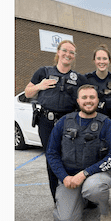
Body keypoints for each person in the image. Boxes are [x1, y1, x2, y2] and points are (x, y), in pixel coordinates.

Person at [46, 84, 111, 221]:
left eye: (92, 97)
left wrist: (85, 173)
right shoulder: (64, 122)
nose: (88, 101)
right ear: (78, 101)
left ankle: (104, 210)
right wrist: (64, 177)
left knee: (94, 189)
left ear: (97, 100)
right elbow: (52, 153)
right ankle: (82, 200)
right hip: (70, 177)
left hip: (95, 175)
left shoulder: (107, 123)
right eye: (84, 97)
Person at [24, 40, 84, 199]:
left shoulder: (78, 78)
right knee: (52, 158)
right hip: (47, 123)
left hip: (69, 122)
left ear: (74, 57)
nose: (68, 54)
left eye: (72, 52)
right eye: (65, 50)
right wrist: (39, 86)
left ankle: (76, 195)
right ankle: (57, 198)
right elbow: (27, 93)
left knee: (71, 157)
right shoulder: (43, 72)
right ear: (58, 52)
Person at [83, 44, 111, 206]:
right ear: (94, 60)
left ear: (109, 60)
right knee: (94, 158)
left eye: (104, 58)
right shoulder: (87, 79)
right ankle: (94, 196)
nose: (101, 61)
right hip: (93, 126)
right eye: (98, 58)